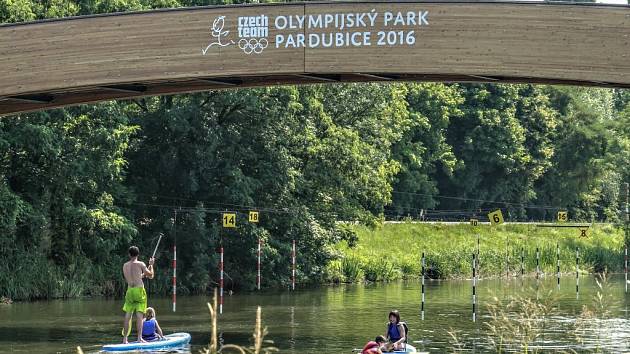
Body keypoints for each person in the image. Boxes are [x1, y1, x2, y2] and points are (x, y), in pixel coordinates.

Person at [122, 246, 155, 344]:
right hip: (139, 291)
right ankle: (139, 338)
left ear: (129, 254)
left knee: (128, 315)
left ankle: (125, 339)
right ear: (138, 254)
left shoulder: (125, 265)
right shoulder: (141, 264)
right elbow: (151, 276)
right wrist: (151, 265)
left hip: (129, 291)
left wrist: (142, 275)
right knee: (139, 315)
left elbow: (134, 277)